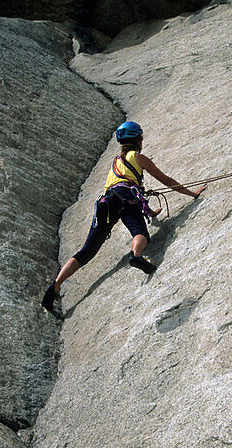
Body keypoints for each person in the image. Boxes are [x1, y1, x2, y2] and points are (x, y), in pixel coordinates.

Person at [42, 121, 206, 316]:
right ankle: (135, 256)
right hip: (127, 199)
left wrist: (150, 212)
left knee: (87, 251)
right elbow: (166, 181)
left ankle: (55, 287)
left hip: (106, 203)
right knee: (140, 233)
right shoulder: (139, 158)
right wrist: (193, 194)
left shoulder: (115, 161)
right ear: (138, 140)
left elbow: (120, 188)